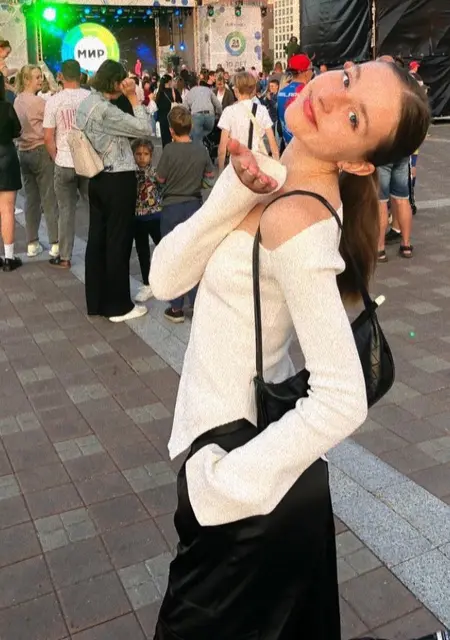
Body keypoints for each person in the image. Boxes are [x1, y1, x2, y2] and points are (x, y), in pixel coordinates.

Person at [149, 61, 430, 639]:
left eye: (355, 118)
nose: (331, 99)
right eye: (347, 79)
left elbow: (343, 398)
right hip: (242, 457)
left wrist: (222, 486)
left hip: (243, 478)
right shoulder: (272, 178)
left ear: (359, 163)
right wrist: (232, 191)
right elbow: (164, 278)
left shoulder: (298, 220)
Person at [75, 59, 153, 322]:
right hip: (118, 178)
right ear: (115, 82)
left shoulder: (86, 103)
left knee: (97, 239)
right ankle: (119, 306)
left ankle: (96, 300)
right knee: (119, 240)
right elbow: (145, 128)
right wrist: (133, 98)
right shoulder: (106, 111)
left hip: (96, 178)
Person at [155, 105, 215, 323]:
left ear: (171, 130)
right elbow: (210, 178)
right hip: (194, 206)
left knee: (174, 256)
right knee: (195, 255)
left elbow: (160, 179)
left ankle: (176, 307)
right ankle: (197, 302)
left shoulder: (169, 150)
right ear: (190, 127)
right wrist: (198, 184)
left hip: (171, 208)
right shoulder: (201, 150)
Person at [43, 59, 90, 269]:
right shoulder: (90, 98)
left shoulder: (54, 101)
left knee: (65, 211)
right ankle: (98, 251)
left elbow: (48, 137)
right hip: (86, 162)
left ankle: (65, 257)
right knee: (93, 208)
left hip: (64, 161)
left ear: (61, 76)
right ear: (80, 76)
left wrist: (57, 157)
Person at [14, 65, 59, 258]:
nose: (41, 80)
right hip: (40, 149)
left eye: (41, 76)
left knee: (31, 199)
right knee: (49, 197)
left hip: (23, 152)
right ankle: (55, 242)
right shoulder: (39, 102)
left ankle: (32, 242)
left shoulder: (17, 101)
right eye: (37, 77)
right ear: (27, 80)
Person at [217, 71, 279, 171]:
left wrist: (221, 171)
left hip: (237, 166)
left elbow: (222, 147)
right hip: (257, 163)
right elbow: (272, 143)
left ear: (236, 90)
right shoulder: (262, 110)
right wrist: (277, 166)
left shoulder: (228, 111)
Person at [131, 137, 162, 303]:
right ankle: (147, 283)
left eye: (145, 154)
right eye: (138, 154)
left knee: (162, 246)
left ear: (151, 155)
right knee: (142, 251)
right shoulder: (131, 174)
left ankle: (167, 277)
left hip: (155, 215)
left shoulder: (155, 173)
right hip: (138, 218)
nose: (142, 157)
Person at [0, 75, 22, 271]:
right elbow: (17, 130)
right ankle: (9, 257)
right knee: (7, 209)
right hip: (6, 154)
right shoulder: (7, 107)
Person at [277, 53, 313, 146]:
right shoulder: (309, 93)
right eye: (311, 69)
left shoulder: (281, 93)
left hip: (288, 146)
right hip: (306, 146)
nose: (312, 72)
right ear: (305, 72)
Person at [183, 78, 222, 144]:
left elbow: (184, 107)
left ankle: (199, 146)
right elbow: (218, 105)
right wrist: (220, 115)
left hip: (196, 116)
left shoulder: (191, 91)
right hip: (210, 117)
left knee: (195, 137)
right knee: (206, 134)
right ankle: (206, 144)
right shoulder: (208, 90)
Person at [155, 74, 182, 147]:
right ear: (169, 82)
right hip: (172, 117)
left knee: (164, 139)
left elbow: (157, 105)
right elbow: (180, 102)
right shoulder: (174, 91)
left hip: (162, 118)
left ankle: (165, 151)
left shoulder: (159, 92)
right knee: (173, 137)